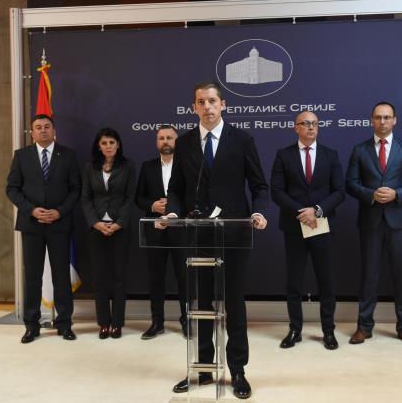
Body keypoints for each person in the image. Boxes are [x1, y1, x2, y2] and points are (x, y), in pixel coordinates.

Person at [167, 81, 269, 400]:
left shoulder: (242, 140)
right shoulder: (184, 143)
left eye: (212, 101)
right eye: (201, 102)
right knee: (201, 303)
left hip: (234, 234)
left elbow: (259, 185)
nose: (207, 107)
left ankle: (237, 370)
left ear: (223, 104)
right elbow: (175, 189)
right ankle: (203, 367)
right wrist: (173, 212)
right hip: (197, 234)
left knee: (234, 302)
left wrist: (259, 212)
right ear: (193, 107)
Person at [345, 102, 402, 347]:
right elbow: (350, 183)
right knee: (369, 275)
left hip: (400, 222)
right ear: (371, 120)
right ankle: (364, 327)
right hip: (370, 221)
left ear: (394, 120)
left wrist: (397, 194)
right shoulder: (359, 150)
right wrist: (371, 194)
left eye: (387, 117)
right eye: (378, 117)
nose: (382, 121)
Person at [270, 111, 345, 351]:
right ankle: (295, 329)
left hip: (323, 227)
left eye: (314, 123)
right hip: (294, 227)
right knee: (294, 282)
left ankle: (328, 330)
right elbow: (276, 191)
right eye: (305, 123)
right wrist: (302, 212)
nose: (311, 127)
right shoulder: (283, 155)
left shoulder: (330, 155)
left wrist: (318, 211)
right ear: (296, 127)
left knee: (327, 281)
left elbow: (339, 191)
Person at [6, 114, 81, 343]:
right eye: (38, 127)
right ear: (32, 133)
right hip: (32, 225)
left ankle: (64, 324)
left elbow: (76, 189)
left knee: (61, 277)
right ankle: (32, 325)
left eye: (47, 126)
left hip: (59, 224)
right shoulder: (22, 156)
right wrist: (31, 210)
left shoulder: (68, 155)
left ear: (54, 130)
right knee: (33, 277)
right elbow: (12, 189)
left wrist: (59, 211)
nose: (43, 130)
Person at [80, 127, 136, 339]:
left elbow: (130, 198)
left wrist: (119, 223)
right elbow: (86, 198)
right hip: (97, 230)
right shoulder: (89, 167)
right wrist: (95, 223)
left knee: (119, 277)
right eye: (104, 143)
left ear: (118, 145)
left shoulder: (128, 166)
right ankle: (103, 323)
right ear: (99, 146)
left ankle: (117, 323)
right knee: (99, 277)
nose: (108, 146)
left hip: (120, 229)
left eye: (112, 142)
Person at [135, 125, 188, 339]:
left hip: (180, 230)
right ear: (157, 142)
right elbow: (138, 197)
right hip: (155, 231)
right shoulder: (148, 167)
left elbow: (193, 196)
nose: (165, 141)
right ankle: (157, 322)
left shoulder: (186, 165)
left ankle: (186, 320)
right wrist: (152, 206)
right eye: (161, 138)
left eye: (169, 138)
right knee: (155, 278)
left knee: (184, 277)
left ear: (177, 141)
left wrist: (175, 208)